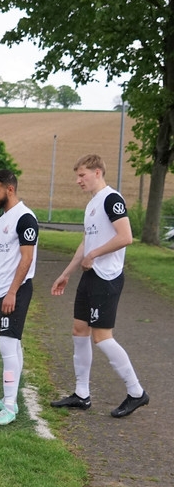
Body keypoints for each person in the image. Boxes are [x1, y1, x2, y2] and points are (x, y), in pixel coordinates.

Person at [50, 154, 149, 418]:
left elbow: (126, 237)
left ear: (97, 172)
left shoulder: (111, 199)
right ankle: (81, 394)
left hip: (107, 277)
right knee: (79, 330)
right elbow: (86, 244)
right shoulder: (92, 204)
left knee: (102, 337)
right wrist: (66, 273)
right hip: (90, 276)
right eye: (77, 175)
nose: (78, 180)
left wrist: (94, 255)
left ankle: (136, 392)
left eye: (82, 175)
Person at [0, 169, 38, 426]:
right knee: (12, 345)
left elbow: (27, 259)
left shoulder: (25, 218)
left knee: (7, 345)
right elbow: (0, 258)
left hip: (17, 289)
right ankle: (9, 399)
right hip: (0, 289)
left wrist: (12, 292)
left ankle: (9, 407)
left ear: (10, 189)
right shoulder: (3, 219)